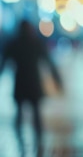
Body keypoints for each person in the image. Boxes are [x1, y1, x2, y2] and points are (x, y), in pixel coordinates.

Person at [0, 19, 63, 155]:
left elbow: (4, 63)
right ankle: (38, 140)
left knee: (19, 112)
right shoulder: (36, 43)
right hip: (33, 83)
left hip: (20, 82)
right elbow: (48, 61)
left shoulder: (14, 43)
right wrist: (57, 79)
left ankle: (19, 139)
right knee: (36, 112)